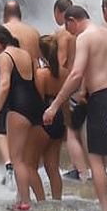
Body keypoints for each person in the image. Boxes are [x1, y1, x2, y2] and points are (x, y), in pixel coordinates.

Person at [44, 5, 107, 211]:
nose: (69, 32)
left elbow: (76, 73)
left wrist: (55, 105)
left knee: (96, 158)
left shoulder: (85, 37)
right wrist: (83, 90)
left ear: (72, 20)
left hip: (101, 98)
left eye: (68, 27)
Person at [0, 24, 45, 211]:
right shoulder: (25, 54)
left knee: (17, 159)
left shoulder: (4, 57)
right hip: (34, 105)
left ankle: (24, 202)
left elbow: (4, 86)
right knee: (26, 160)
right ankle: (27, 198)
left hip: (18, 107)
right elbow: (37, 78)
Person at [0, 1, 43, 180]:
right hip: (31, 86)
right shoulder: (33, 32)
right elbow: (40, 64)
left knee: (1, 129)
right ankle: (27, 171)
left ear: (4, 14)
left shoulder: (1, 34)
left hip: (11, 89)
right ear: (20, 14)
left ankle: (9, 165)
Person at [51, 0, 90, 182]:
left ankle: (80, 170)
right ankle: (88, 166)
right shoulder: (84, 34)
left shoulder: (63, 34)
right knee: (83, 127)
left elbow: (61, 63)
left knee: (71, 129)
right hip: (86, 83)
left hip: (72, 84)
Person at [36, 34, 66, 201]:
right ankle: (57, 200)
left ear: (41, 52)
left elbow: (39, 100)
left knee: (29, 163)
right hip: (60, 117)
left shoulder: (41, 74)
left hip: (46, 117)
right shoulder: (65, 73)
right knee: (53, 167)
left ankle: (39, 200)